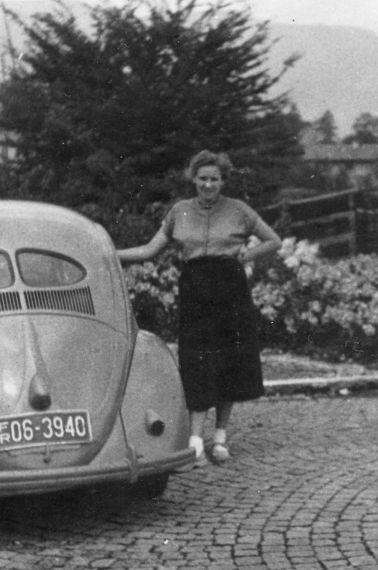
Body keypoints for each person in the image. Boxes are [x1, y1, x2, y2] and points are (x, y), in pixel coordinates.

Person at [117, 150, 281, 468]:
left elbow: (273, 240)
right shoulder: (179, 211)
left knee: (229, 360)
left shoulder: (239, 210)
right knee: (197, 360)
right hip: (196, 289)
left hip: (230, 289)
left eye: (214, 179)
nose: (208, 185)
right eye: (203, 179)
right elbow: (151, 249)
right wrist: (112, 252)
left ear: (222, 181)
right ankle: (194, 443)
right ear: (194, 179)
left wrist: (245, 257)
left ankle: (219, 440)